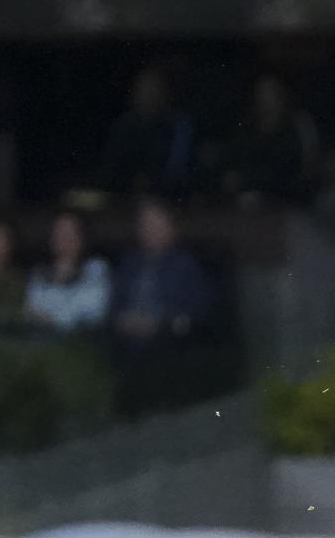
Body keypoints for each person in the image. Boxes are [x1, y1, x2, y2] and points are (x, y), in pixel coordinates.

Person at [111, 200, 210, 348]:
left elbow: (196, 312)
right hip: (125, 341)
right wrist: (122, 320)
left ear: (171, 227)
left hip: (168, 343)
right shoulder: (129, 264)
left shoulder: (187, 266)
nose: (149, 230)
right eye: (144, 224)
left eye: (155, 223)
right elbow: (114, 304)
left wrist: (159, 324)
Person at [222, 74, 320, 206]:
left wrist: (248, 180)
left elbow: (295, 170)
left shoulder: (297, 126)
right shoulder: (248, 130)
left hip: (290, 203)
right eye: (260, 93)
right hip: (250, 205)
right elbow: (236, 167)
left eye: (270, 92)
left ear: (281, 95)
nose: (265, 99)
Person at [100, 67, 195, 197]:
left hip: (170, 198)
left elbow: (180, 170)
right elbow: (111, 171)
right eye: (144, 90)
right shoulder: (123, 127)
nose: (149, 96)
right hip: (126, 198)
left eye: (155, 90)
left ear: (165, 95)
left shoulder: (178, 126)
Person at [25, 211, 112, 335]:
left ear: (82, 237)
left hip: (80, 341)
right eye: (59, 233)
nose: (65, 238)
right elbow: (32, 308)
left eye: (70, 233)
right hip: (40, 342)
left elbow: (94, 311)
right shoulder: (39, 273)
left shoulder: (96, 269)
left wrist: (54, 321)